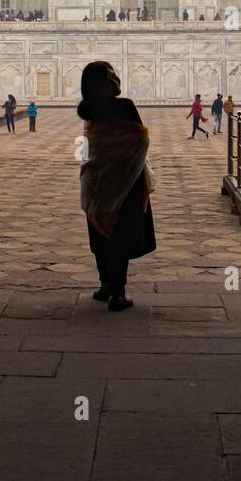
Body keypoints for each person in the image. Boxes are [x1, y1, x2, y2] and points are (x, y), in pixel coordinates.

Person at [78, 60, 156, 312]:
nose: (116, 80)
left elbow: (90, 145)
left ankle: (105, 285)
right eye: (110, 77)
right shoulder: (125, 106)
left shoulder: (88, 108)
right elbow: (140, 138)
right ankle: (118, 293)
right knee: (120, 235)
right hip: (125, 181)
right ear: (99, 84)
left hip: (96, 181)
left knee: (101, 232)